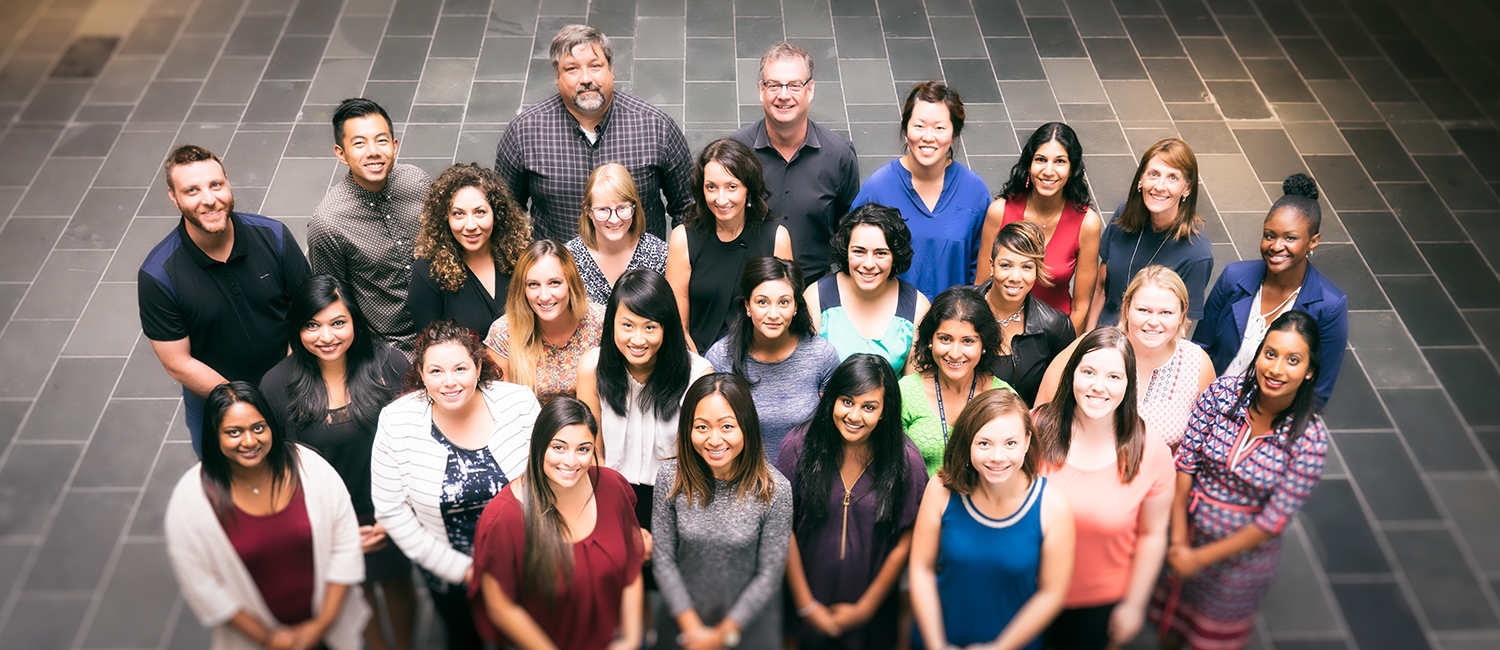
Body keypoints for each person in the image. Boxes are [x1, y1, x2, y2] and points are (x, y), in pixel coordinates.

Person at [1149, 311, 1329, 650]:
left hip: (1238, 564)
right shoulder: (1222, 394)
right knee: (1168, 625)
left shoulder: (1310, 439)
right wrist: (1177, 541)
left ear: (1309, 372)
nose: (1276, 369)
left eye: (1292, 360)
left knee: (1210, 639)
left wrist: (1198, 559)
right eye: (1270, 353)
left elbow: (1273, 520)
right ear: (1258, 354)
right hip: (1184, 532)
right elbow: (1186, 463)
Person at [259, 275, 416, 650]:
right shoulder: (276, 385)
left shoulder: (389, 363)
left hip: (390, 506)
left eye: (338, 322)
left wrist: (394, 514)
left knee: (398, 585)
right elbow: (279, 466)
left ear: (355, 321)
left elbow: (415, 439)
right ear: (297, 329)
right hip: (327, 517)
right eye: (312, 325)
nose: (326, 336)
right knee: (354, 595)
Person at [371, 320, 540, 650]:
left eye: (460, 368)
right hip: (450, 573)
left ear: (478, 367)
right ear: (421, 373)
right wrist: (463, 571)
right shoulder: (396, 421)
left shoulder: (518, 402)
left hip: (529, 563)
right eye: (436, 371)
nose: (449, 382)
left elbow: (544, 480)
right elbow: (391, 510)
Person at [164, 382, 368, 650]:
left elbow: (345, 546)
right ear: (214, 435)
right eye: (233, 432)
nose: (250, 441)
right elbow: (204, 585)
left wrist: (321, 625)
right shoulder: (191, 499)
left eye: (258, 428)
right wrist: (268, 638)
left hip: (331, 628)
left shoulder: (312, 468)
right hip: (257, 640)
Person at [140, 144, 312, 457]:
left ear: (227, 183)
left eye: (215, 185)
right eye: (191, 190)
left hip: (294, 387)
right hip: (218, 406)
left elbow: (308, 311)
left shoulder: (273, 237)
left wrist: (284, 383)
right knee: (233, 494)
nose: (209, 199)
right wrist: (243, 404)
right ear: (173, 196)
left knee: (309, 478)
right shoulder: (158, 275)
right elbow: (178, 363)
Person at [1031, 329, 1173, 650]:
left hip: (1097, 602)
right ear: (1072, 375)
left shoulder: (1151, 451)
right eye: (1089, 372)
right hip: (1026, 587)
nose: (1099, 386)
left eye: (1113, 376)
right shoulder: (1034, 429)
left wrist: (1134, 605)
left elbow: (1152, 535)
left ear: (1128, 384)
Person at [775, 354, 929, 649]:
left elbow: (906, 538)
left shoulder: (905, 460)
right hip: (801, 605)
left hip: (872, 612)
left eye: (869, 407)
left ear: (885, 411)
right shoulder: (798, 446)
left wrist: (865, 609)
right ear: (831, 398)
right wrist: (807, 606)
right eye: (847, 401)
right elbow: (782, 526)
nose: (855, 416)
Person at [470, 397, 646, 650]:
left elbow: (632, 566)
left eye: (583, 449)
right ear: (539, 445)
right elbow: (501, 607)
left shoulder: (612, 487)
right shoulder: (503, 518)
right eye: (559, 447)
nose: (571, 462)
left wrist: (629, 640)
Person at [908, 388, 1074, 650]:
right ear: (968, 443)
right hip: (936, 637)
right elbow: (921, 569)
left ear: (1027, 442)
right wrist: (936, 645)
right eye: (984, 443)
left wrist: (998, 648)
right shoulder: (941, 489)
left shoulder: (1053, 506)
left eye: (1010, 443)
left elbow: (1052, 594)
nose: (998, 457)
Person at [494, 24, 693, 241]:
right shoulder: (523, 133)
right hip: (559, 271)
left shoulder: (656, 127)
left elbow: (688, 208)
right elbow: (506, 214)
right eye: (572, 69)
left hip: (639, 272)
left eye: (595, 66)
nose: (586, 78)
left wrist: (676, 265)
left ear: (611, 70)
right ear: (557, 77)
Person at [652, 373, 794, 650]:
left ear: (746, 426)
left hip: (748, 631)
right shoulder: (671, 478)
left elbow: (769, 575)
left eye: (727, 426)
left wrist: (719, 637)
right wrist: (693, 630)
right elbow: (663, 560)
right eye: (702, 427)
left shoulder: (775, 489)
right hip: (682, 628)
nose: (714, 440)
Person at [1193, 174, 1348, 408]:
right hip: (1208, 406)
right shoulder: (1233, 278)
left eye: (1290, 238)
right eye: (1269, 236)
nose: (1276, 246)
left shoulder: (1329, 305)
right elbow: (1200, 350)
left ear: (1313, 241)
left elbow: (1318, 390)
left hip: (1268, 420)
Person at [577, 269, 715, 525]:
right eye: (627, 325)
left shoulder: (698, 373)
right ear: (612, 324)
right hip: (609, 493)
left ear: (667, 327)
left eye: (650, 327)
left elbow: (700, 457)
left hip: (677, 498)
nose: (637, 339)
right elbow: (590, 449)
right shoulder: (592, 367)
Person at [1037, 266, 1216, 451]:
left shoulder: (1197, 364)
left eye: (1166, 313)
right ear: (1126, 307)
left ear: (1182, 313)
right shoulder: (1090, 348)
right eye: (1144, 310)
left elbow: (1207, 438)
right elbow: (1042, 413)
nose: (1154, 322)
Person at [729, 41, 860, 283]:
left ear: (810, 90)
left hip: (815, 290)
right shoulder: (735, 152)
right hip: (747, 292)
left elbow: (850, 228)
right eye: (774, 85)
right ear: (761, 90)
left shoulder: (839, 155)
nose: (783, 95)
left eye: (794, 85)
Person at [307, 97, 430, 355]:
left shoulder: (417, 182)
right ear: (341, 153)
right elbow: (333, 301)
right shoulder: (328, 224)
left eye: (381, 140)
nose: (373, 151)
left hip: (444, 323)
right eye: (359, 143)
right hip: (391, 347)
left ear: (395, 146)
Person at [851, 81, 990, 300]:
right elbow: (853, 257)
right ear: (906, 129)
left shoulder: (974, 192)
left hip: (952, 325)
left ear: (954, 133)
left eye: (939, 127)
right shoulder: (877, 188)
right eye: (919, 126)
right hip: (892, 322)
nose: (928, 136)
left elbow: (981, 269)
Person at [705, 256, 840, 464]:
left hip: (805, 482)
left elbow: (834, 428)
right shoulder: (722, 357)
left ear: (796, 306)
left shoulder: (821, 355)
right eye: (762, 302)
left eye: (784, 302)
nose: (774, 314)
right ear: (747, 306)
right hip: (741, 482)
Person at [666, 137, 794, 352]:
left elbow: (783, 313)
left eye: (732, 186)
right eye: (711, 187)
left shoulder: (777, 239)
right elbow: (679, 327)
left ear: (748, 189)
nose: (721, 199)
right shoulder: (683, 238)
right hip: (698, 361)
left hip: (760, 358)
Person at [978, 122, 1101, 335]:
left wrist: (1062, 353)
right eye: (1040, 160)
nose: (1048, 171)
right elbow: (981, 285)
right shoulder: (999, 211)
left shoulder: (1087, 223)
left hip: (1054, 333)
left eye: (1060, 161)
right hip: (999, 330)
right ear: (1028, 165)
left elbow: (1081, 308)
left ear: (1072, 170)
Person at [1089, 138, 1212, 329]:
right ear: (1141, 180)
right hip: (1103, 336)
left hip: (1146, 349)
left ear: (1187, 188)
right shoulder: (1124, 214)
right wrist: (1087, 339)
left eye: (1173, 177)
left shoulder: (1197, 255)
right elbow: (1100, 289)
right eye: (1153, 174)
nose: (1160, 186)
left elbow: (1179, 327)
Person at [900, 286, 1016, 476]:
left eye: (968, 341)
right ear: (930, 340)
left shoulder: (1004, 398)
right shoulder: (905, 393)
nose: (955, 353)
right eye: (945, 339)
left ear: (984, 344)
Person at [804, 202, 930, 374]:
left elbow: (915, 389)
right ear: (845, 251)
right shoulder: (816, 298)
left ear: (895, 256)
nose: (869, 264)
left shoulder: (918, 307)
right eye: (859, 251)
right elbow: (806, 377)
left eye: (881, 253)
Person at [409, 163, 530, 337]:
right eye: (458, 213)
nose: (471, 225)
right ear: (445, 218)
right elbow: (431, 347)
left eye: (480, 212)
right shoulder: (428, 272)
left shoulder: (521, 257)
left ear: (496, 215)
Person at [484, 239, 607, 404]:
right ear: (522, 289)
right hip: (530, 427)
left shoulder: (600, 321)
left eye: (554, 283)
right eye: (533, 284)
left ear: (571, 283)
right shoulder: (503, 333)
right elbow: (500, 405)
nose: (544, 296)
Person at [975, 221, 1075, 406]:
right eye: (1005, 265)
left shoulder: (1055, 326)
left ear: (1037, 270)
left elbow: (1061, 392)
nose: (1015, 277)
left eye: (1027, 267)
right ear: (992, 266)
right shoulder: (961, 305)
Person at [565, 162, 670, 304]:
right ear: (588, 210)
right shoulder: (568, 259)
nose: (614, 220)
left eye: (622, 207)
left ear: (635, 207)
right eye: (603, 209)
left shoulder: (660, 256)